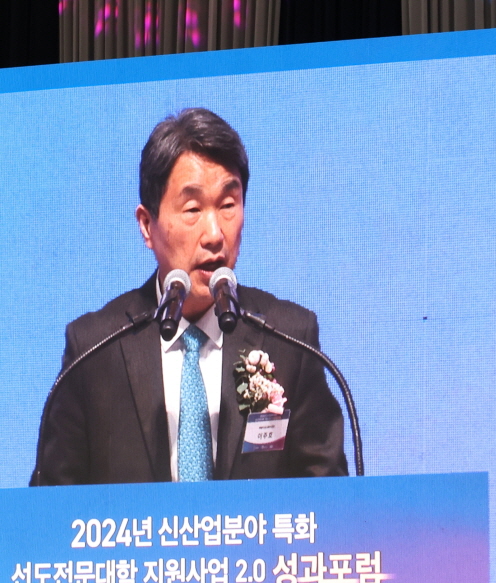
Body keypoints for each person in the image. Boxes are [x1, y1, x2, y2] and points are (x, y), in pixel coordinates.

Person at [32, 108, 347, 485]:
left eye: (229, 204)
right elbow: (51, 513)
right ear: (147, 226)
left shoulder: (291, 339)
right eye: (193, 209)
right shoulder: (94, 351)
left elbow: (330, 501)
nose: (215, 234)